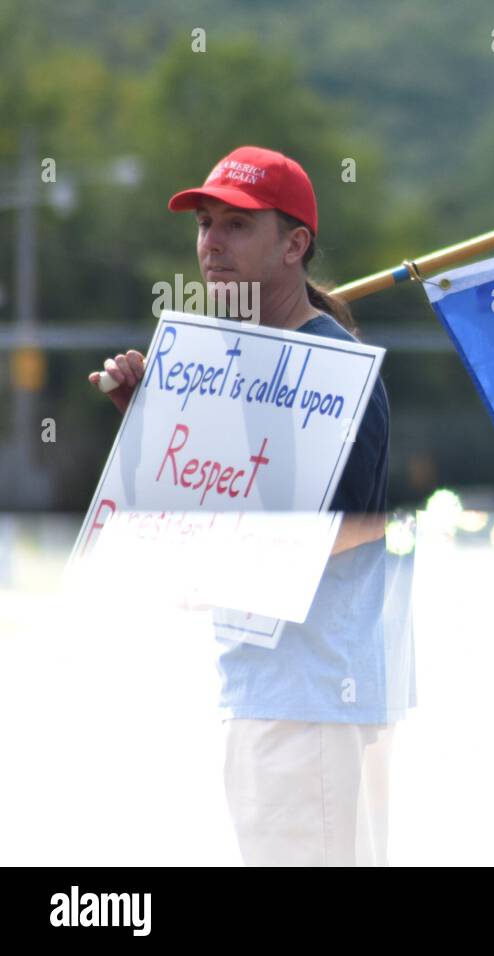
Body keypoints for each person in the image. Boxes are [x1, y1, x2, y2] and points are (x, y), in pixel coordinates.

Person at [89, 145, 415, 866]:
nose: (210, 243)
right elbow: (178, 530)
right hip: (268, 693)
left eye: (237, 226)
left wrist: (225, 555)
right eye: (205, 224)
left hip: (316, 701)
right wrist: (147, 422)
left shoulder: (330, 369)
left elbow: (355, 533)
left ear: (294, 243)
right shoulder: (230, 365)